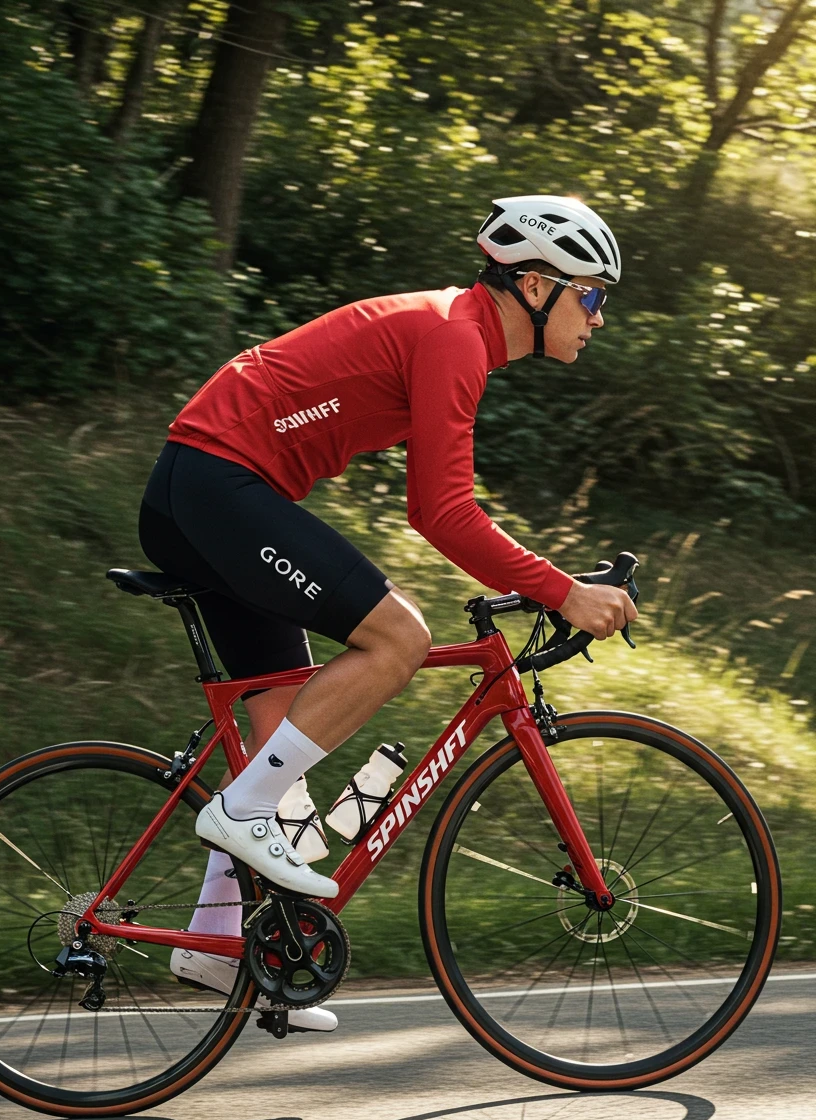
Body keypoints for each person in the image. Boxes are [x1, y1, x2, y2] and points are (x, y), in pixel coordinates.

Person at [138, 194, 638, 1032]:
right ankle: (238, 815)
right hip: (217, 483)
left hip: (205, 488)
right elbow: (440, 512)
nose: (597, 317)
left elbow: (442, 508)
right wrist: (562, 590)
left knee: (280, 732)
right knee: (397, 637)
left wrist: (544, 581)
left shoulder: (458, 334)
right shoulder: (455, 336)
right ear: (539, 284)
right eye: (592, 296)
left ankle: (222, 944)